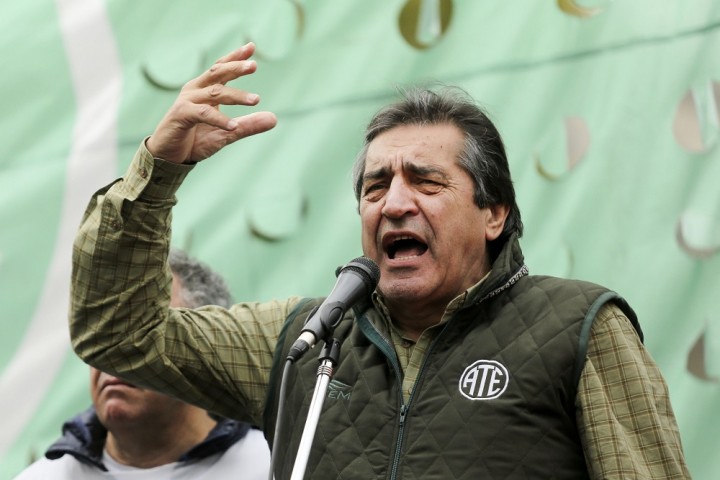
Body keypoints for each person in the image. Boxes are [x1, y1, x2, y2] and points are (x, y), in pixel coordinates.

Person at [68, 42, 690, 479]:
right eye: (374, 187)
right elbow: (118, 335)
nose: (393, 203)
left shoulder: (577, 326)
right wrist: (158, 171)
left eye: (426, 181)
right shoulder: (304, 342)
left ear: (494, 213)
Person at [16, 249, 270, 479]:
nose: (113, 353)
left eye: (142, 331)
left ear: (203, 348)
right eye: (103, 331)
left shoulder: (275, 467)